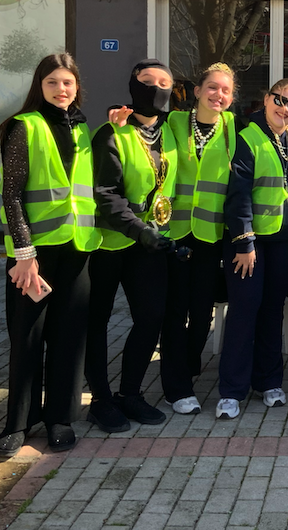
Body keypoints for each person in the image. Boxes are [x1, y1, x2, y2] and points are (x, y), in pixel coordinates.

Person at [0, 53, 100, 458]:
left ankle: (60, 418)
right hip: (33, 256)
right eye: (53, 82)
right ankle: (18, 423)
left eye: (68, 82)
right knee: (28, 336)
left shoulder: (83, 127)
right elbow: (12, 194)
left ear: (76, 87)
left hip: (78, 249)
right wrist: (24, 254)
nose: (61, 89)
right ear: (40, 85)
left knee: (69, 338)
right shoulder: (23, 127)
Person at [86, 59, 179, 433]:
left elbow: (214, 113)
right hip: (111, 244)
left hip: (149, 243)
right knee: (98, 323)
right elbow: (105, 195)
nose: (156, 88)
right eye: (147, 82)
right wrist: (141, 231)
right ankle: (101, 401)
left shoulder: (170, 130)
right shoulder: (110, 132)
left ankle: (130, 393)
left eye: (164, 83)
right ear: (132, 86)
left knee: (150, 317)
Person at [218, 78, 288, 418]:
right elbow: (238, 193)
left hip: (285, 245)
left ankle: (269, 381)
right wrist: (244, 240)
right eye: (279, 99)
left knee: (273, 311)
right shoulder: (249, 137)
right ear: (266, 97)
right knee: (244, 311)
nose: (284, 108)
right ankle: (231, 390)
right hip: (250, 245)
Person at [159, 63, 238, 414]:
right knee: (175, 312)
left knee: (202, 310)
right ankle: (176, 388)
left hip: (210, 235)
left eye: (225, 90)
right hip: (175, 233)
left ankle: (188, 367)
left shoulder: (235, 128)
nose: (218, 95)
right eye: (212, 87)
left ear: (232, 98)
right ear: (198, 91)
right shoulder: (174, 122)